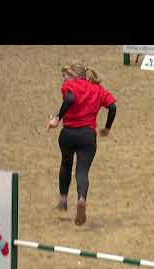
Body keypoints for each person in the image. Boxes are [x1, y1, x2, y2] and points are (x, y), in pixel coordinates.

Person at [46, 64, 117, 226]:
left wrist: (57, 119)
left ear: (74, 75)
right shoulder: (98, 89)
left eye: (65, 76)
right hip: (87, 136)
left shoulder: (70, 85)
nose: (63, 79)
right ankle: (81, 199)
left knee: (66, 163)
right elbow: (112, 107)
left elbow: (70, 99)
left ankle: (63, 201)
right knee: (82, 170)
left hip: (68, 134)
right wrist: (107, 128)